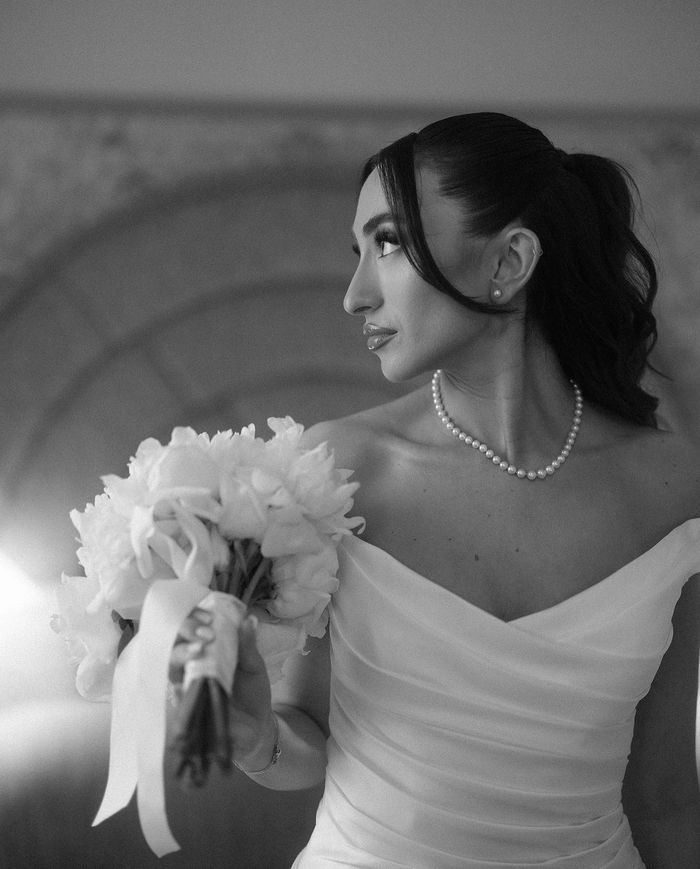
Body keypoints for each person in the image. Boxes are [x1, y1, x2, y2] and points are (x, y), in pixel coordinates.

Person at [183, 113, 700, 867]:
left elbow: (664, 792)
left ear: (511, 259)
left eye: (387, 242)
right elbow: (307, 734)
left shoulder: (676, 489)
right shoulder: (336, 469)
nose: (355, 295)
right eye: (358, 252)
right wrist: (257, 738)